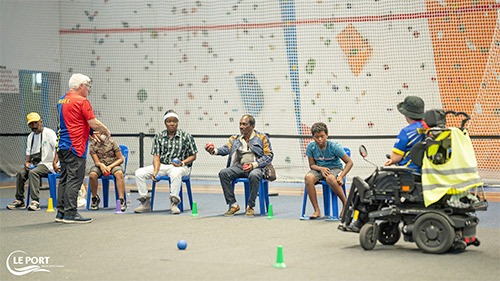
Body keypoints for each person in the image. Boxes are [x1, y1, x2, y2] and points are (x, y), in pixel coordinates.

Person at [55, 73, 110, 224]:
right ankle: (71, 213)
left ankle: (61, 212)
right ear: (80, 86)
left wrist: (90, 133)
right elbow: (93, 122)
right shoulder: (82, 101)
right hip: (75, 146)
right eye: (88, 86)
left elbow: (73, 120)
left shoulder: (62, 100)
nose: (89, 89)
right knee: (75, 180)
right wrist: (105, 130)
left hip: (62, 145)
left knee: (65, 179)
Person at [205, 114, 273, 217]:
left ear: (252, 126)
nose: (241, 127)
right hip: (240, 167)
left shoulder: (262, 138)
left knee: (254, 175)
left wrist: (254, 165)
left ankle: (250, 206)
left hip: (257, 167)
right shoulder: (235, 139)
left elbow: (269, 156)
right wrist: (213, 151)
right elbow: (226, 149)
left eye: (244, 124)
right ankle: (233, 205)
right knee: (223, 173)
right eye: (240, 124)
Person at [134, 110, 197, 215]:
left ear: (177, 122)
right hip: (163, 166)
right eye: (169, 121)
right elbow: (156, 156)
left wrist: (181, 162)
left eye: (174, 121)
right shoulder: (159, 136)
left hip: (181, 167)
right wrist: (155, 171)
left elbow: (193, 156)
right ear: (165, 123)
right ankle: (145, 202)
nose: (172, 123)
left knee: (175, 173)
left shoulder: (186, 136)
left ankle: (174, 203)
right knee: (139, 173)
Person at [7, 112, 60, 211]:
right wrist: (26, 163)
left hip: (47, 164)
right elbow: (28, 153)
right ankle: (20, 200)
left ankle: (35, 202)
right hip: (35, 164)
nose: (34, 126)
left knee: (33, 173)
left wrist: (54, 163)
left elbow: (58, 148)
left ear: (40, 122)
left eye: (36, 123)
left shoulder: (49, 133)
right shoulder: (30, 136)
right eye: (31, 124)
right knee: (21, 173)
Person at [304, 122, 353, 219]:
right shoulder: (311, 147)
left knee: (330, 178)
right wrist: (321, 169)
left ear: (327, 135)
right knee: (308, 178)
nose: (320, 139)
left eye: (322, 136)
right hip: (319, 169)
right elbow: (312, 165)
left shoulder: (334, 147)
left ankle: (346, 204)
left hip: (334, 169)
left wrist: (341, 176)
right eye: (317, 137)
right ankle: (317, 210)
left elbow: (349, 162)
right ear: (313, 137)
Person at [384, 95, 426, 174]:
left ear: (406, 115)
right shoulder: (429, 129)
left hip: (409, 173)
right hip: (426, 172)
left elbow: (396, 157)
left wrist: (391, 159)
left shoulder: (406, 132)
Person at [88, 132, 126, 211]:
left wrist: (110, 166)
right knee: (92, 175)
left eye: (97, 133)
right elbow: (96, 162)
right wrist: (101, 165)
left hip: (114, 165)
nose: (96, 134)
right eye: (94, 133)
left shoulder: (112, 143)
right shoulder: (92, 145)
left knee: (119, 174)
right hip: (100, 166)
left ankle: (121, 200)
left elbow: (121, 159)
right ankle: (95, 198)